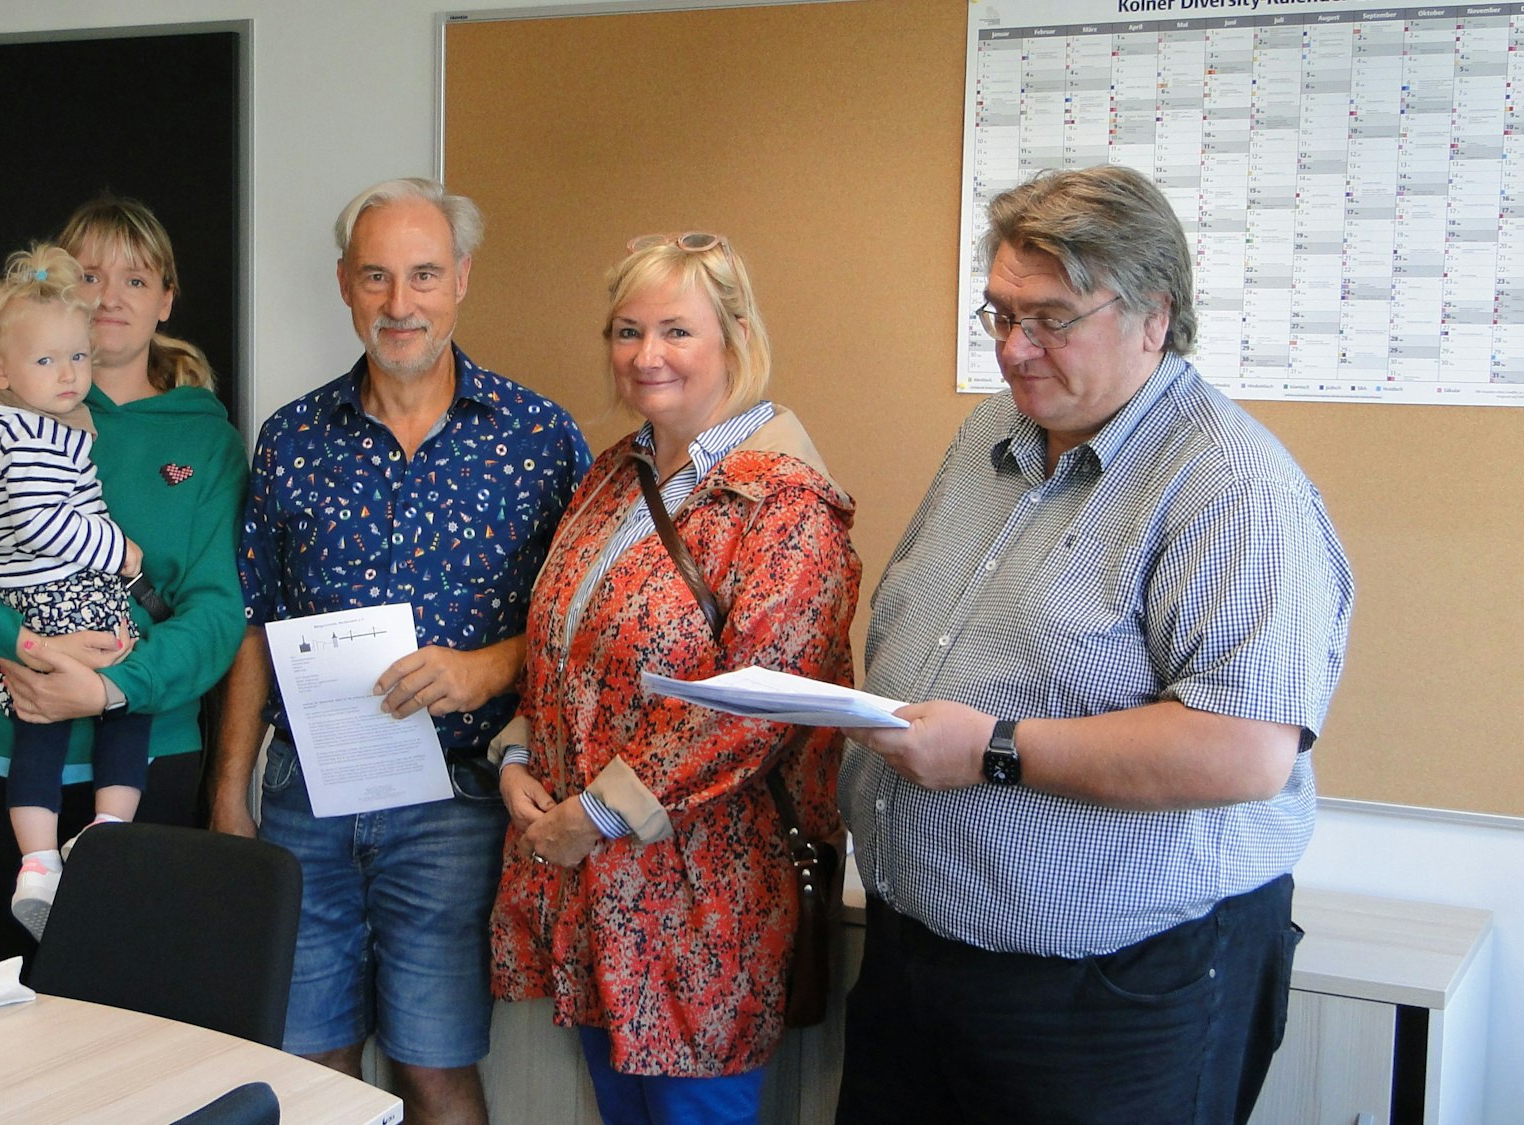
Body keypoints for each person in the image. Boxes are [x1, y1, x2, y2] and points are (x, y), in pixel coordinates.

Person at [837, 166, 1355, 1124]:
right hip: (923, 953)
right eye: (997, 316)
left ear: (1153, 317)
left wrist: (991, 748)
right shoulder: (993, 433)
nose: (1015, 350)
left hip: (1114, 987)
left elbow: (1242, 750)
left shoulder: (1231, 489)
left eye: (1052, 319)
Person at [209, 177, 589, 1124]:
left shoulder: (540, 438)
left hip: (455, 799)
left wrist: (484, 669)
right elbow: (255, 619)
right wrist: (227, 789)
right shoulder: (291, 437)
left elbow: (578, 626)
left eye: (423, 274)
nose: (400, 303)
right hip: (307, 796)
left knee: (434, 1063)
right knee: (307, 1062)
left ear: (461, 278)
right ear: (345, 283)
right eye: (376, 276)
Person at [487, 231, 860, 1125]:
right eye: (626, 330)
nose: (646, 355)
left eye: (676, 331)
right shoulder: (614, 475)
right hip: (590, 889)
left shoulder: (786, 504)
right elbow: (558, 651)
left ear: (734, 336)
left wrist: (602, 811)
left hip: (706, 906)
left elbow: (761, 706)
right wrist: (515, 758)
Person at [0, 195, 247, 969]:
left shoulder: (207, 440)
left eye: (136, 277)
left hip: (144, 760)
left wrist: (112, 689)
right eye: (89, 274)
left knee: (126, 1029)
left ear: (165, 298)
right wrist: (17, 641)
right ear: (57, 296)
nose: (110, 295)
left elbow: (218, 610)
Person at [0, 243, 158, 940]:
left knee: (38, 727)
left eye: (75, 358)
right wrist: (123, 551)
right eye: (49, 362)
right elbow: (41, 520)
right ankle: (103, 832)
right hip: (66, 598)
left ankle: (40, 862)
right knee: (127, 702)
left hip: (17, 601)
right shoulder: (37, 433)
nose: (69, 374)